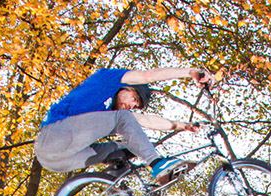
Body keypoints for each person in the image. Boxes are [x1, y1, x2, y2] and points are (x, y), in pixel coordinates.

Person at [34, 67, 210, 183]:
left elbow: (146, 121)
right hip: (53, 135)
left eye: (135, 106)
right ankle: (157, 164)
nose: (131, 106)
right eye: (134, 99)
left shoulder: (107, 115)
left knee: (129, 148)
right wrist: (191, 72)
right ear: (125, 87)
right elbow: (147, 76)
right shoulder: (107, 79)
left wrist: (182, 125)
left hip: (56, 162)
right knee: (123, 118)